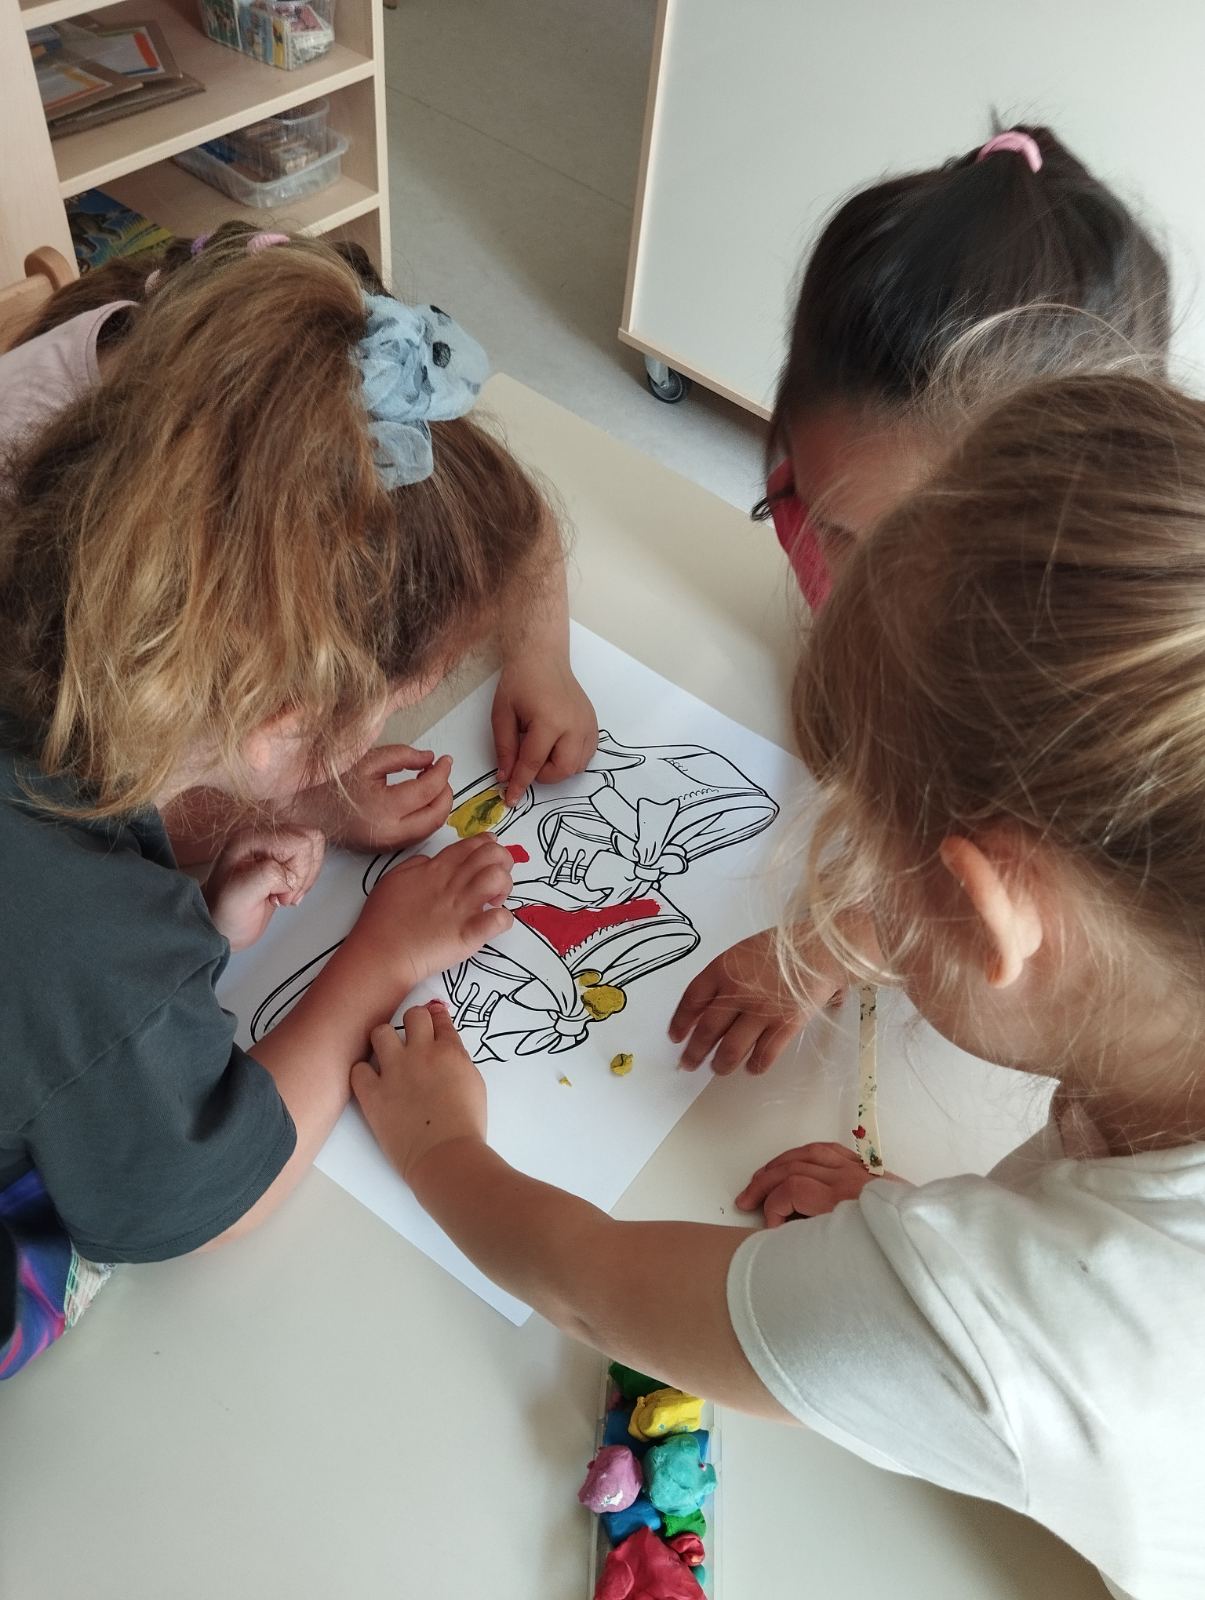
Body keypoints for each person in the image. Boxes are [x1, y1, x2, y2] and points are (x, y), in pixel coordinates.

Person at [349, 373, 1205, 1600]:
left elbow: (593, 1289)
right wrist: (929, 1225)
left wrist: (440, 1149)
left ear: (989, 916)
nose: (854, 901)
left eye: (868, 860)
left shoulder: (1029, 1323)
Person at [0, 229, 555, 1372]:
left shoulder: (46, 612)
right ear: (280, 725)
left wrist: (199, 916)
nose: (399, 720)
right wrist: (377, 960)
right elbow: (202, 1200)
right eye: (401, 700)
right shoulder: (86, 931)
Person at [670, 123, 1173, 1074]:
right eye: (838, 530)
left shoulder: (1102, 680)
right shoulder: (813, 502)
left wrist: (840, 941)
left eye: (909, 556)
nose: (861, 591)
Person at [0, 223, 598, 885]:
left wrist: (543, 657)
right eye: (400, 696)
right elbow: (128, 808)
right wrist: (308, 806)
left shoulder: (295, 363)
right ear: (282, 710)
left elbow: (494, 515)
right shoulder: (85, 605)